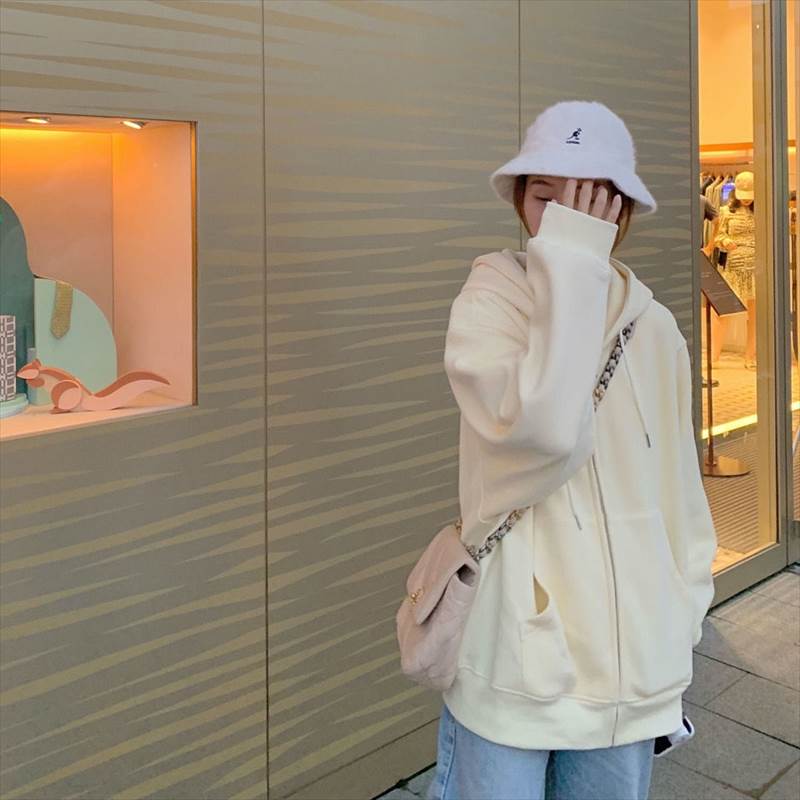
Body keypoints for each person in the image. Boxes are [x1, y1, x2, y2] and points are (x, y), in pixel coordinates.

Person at [426, 100, 718, 800]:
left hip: (633, 667)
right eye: (545, 196)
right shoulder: (491, 302)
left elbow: (680, 489)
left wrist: (681, 615)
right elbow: (547, 435)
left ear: (622, 210)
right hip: (517, 662)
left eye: (589, 199)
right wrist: (572, 264)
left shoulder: (655, 328)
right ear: (520, 202)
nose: (563, 217)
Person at [714, 171, 756, 368]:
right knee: (723, 312)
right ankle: (714, 357)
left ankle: (750, 357)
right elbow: (718, 236)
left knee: (755, 316)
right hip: (734, 266)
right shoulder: (726, 211)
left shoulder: (762, 212)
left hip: (756, 267)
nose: (746, 200)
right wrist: (725, 241)